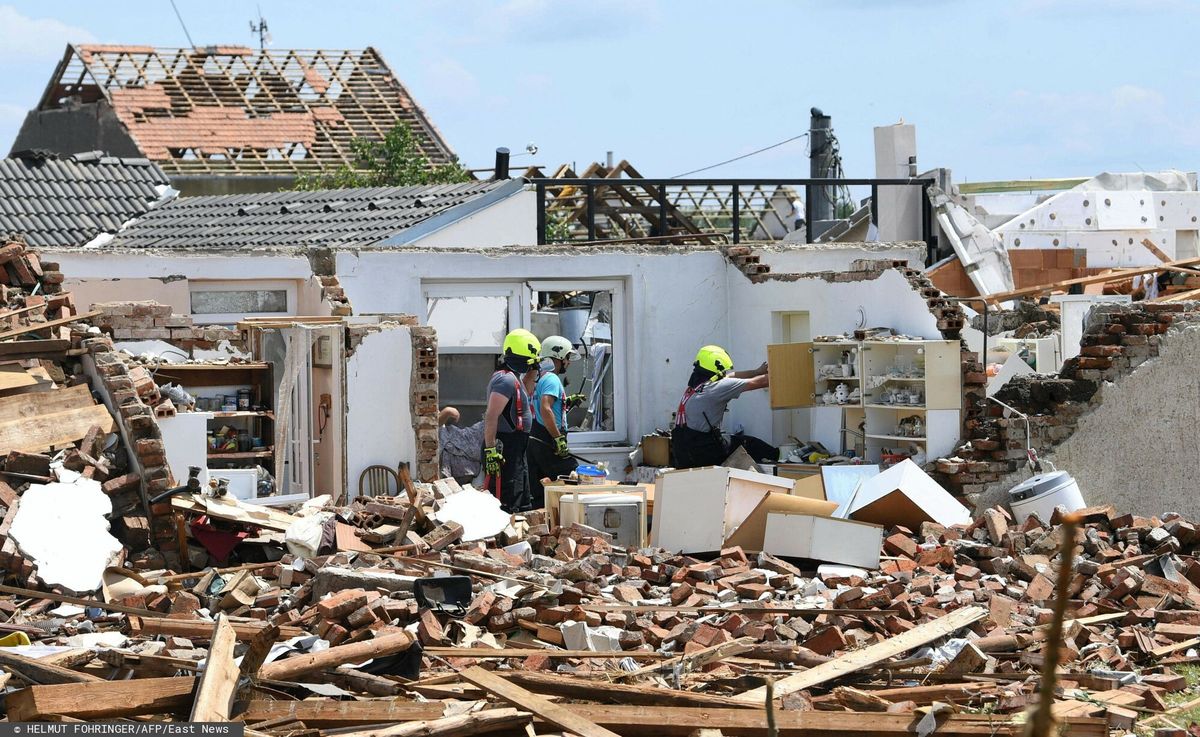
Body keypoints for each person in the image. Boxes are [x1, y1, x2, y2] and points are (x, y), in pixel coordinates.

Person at [671, 344, 775, 469]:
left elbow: (731, 376)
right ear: (717, 366)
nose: (725, 373)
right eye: (723, 371)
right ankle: (781, 458)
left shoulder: (695, 387)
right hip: (704, 451)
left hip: (683, 454)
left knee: (730, 441)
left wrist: (756, 372)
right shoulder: (716, 388)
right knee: (751, 444)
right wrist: (787, 370)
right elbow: (762, 381)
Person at [483, 329, 540, 513]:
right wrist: (490, 449)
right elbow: (491, 416)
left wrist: (533, 372)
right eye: (531, 361)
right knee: (507, 497)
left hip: (518, 445)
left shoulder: (514, 379)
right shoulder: (505, 380)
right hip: (506, 445)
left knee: (520, 495)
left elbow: (525, 397)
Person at [526, 335, 585, 508]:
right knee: (574, 480)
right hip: (548, 441)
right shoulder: (552, 379)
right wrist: (558, 439)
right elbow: (545, 408)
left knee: (540, 495)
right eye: (567, 357)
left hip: (536, 439)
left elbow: (541, 405)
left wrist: (567, 402)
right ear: (559, 356)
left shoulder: (540, 378)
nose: (569, 362)